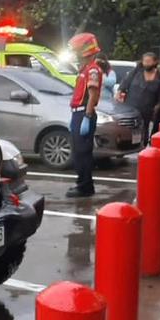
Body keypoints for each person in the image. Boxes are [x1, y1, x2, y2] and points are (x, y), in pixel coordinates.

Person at [66, 33, 104, 198]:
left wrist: (87, 117)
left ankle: (84, 186)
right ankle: (83, 183)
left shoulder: (93, 70)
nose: (74, 54)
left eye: (76, 51)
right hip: (78, 114)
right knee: (79, 152)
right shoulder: (85, 69)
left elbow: (93, 95)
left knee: (82, 153)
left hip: (84, 114)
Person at [117, 52, 160, 146]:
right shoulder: (136, 72)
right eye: (145, 61)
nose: (146, 64)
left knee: (144, 129)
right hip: (131, 107)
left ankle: (142, 147)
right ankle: (125, 146)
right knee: (128, 129)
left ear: (155, 62)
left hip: (147, 109)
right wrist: (119, 93)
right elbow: (124, 84)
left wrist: (158, 106)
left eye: (149, 61)